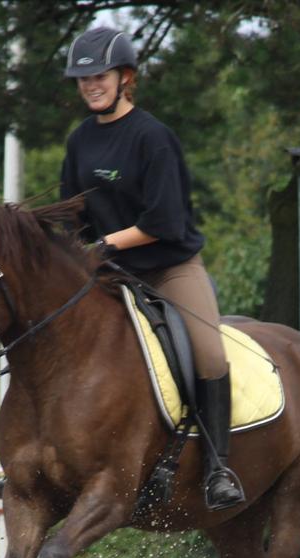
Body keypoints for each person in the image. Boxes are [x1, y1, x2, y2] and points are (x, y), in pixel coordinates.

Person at [59, 27, 244, 511]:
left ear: (126, 77)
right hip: (106, 273)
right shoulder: (80, 142)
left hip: (167, 267)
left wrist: (103, 244)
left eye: (99, 76)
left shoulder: (152, 138)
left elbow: (163, 222)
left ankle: (218, 467)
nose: (91, 85)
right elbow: (69, 213)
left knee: (210, 354)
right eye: (83, 79)